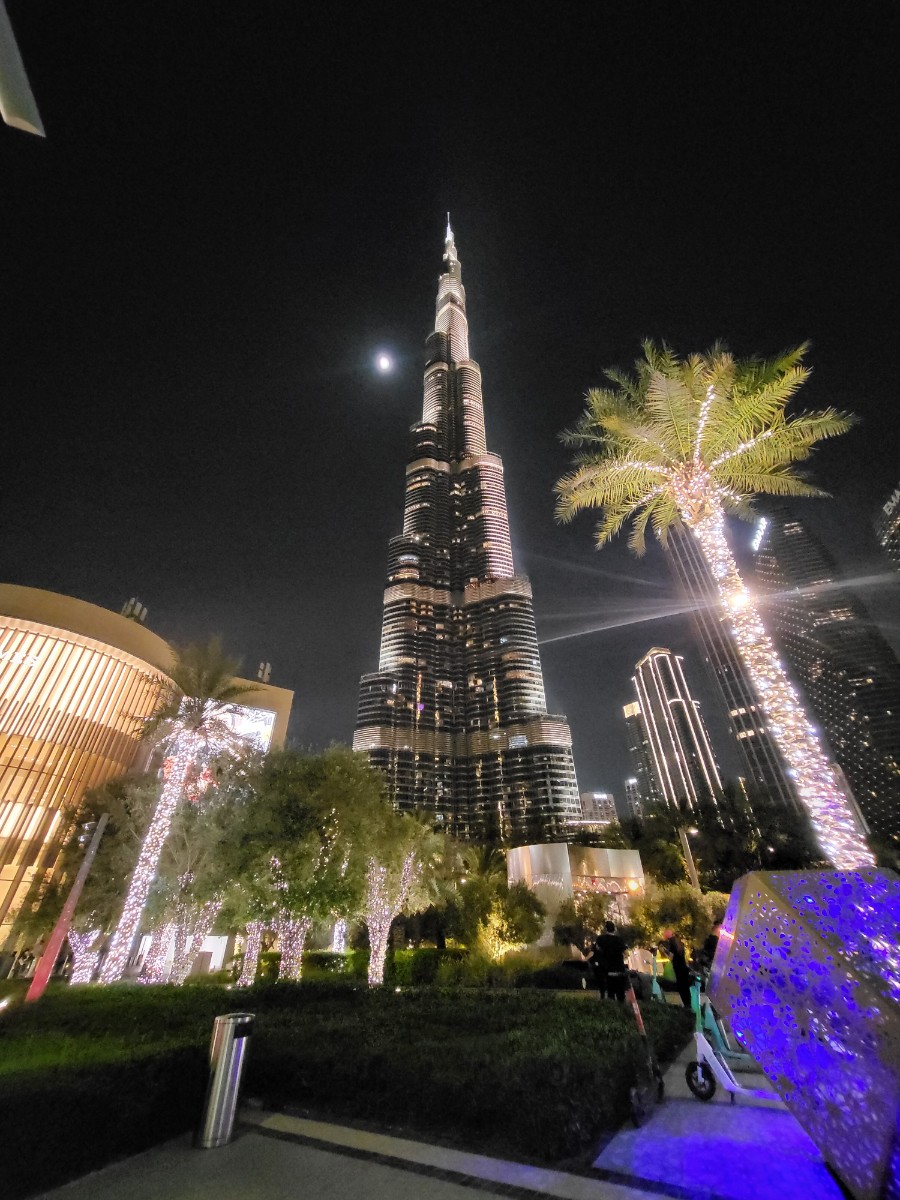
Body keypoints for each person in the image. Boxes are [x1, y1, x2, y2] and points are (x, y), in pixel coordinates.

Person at [588, 920, 628, 1002]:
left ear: (605, 929)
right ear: (614, 929)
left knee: (610, 992)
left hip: (607, 969)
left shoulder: (601, 939)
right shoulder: (620, 940)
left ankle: (608, 1001)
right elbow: (625, 953)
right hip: (619, 968)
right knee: (620, 993)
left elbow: (596, 951)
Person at [660, 929, 694, 1007]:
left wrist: (664, 950)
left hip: (679, 969)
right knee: (685, 989)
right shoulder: (678, 943)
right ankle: (689, 1005)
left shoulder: (671, 943)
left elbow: (672, 956)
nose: (663, 936)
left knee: (682, 988)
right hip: (683, 969)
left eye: (664, 934)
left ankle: (687, 1005)